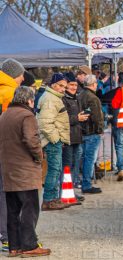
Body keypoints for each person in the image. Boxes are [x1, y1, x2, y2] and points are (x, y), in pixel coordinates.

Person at [0, 86, 51, 257]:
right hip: (25, 171)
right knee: (30, 209)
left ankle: (14, 247)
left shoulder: (4, 115)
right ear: (29, 100)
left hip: (8, 169)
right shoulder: (27, 115)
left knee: (12, 210)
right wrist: (39, 156)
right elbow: (31, 140)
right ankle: (29, 246)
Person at [0, 58, 25, 251]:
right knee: (6, 192)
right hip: (5, 149)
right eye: (21, 74)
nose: (23, 78)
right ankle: (7, 236)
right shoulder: (9, 93)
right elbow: (12, 124)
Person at [37, 73, 70, 210]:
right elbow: (45, 124)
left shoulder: (53, 97)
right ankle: (49, 200)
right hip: (52, 141)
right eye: (61, 86)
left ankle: (53, 198)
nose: (63, 89)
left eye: (65, 86)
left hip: (54, 140)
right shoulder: (50, 99)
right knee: (54, 170)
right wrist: (56, 139)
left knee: (56, 170)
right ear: (53, 85)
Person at [62, 72, 89, 191]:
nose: (74, 87)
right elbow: (61, 119)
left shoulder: (76, 98)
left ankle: (71, 191)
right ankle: (66, 192)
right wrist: (77, 118)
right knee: (67, 167)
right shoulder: (63, 99)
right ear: (66, 85)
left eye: (75, 85)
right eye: (71, 84)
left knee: (75, 166)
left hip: (77, 137)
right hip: (67, 138)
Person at [79, 75, 104, 194]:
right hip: (92, 132)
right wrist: (100, 130)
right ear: (94, 84)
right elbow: (97, 117)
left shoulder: (80, 95)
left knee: (82, 159)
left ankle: (81, 182)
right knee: (89, 160)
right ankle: (87, 184)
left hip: (81, 132)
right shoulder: (93, 98)